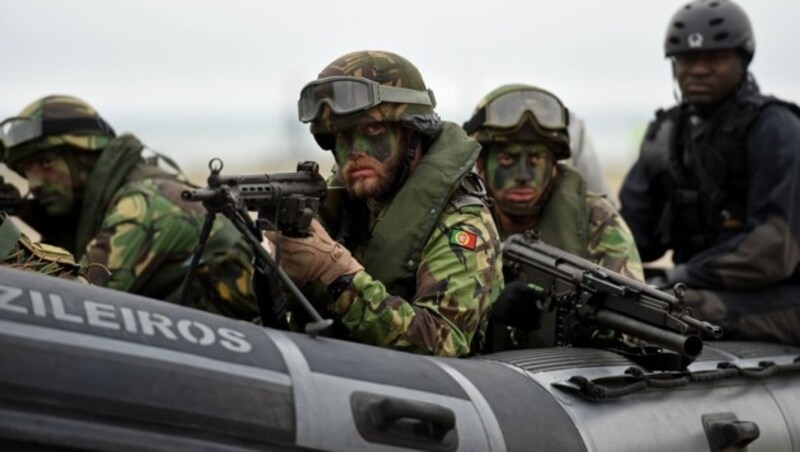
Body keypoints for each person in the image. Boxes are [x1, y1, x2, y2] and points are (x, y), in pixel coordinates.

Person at [270, 50, 504, 357]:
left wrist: (336, 274)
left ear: (412, 133)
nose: (354, 151)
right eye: (341, 136)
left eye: (373, 131)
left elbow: (442, 342)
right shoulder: (347, 206)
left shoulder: (462, 223)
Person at [619, 0, 800, 345]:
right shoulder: (667, 134)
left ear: (742, 62)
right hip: (693, 288)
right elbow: (630, 234)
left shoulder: (777, 128)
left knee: (672, 310)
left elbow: (775, 249)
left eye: (713, 59)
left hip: (783, 295)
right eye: (687, 60)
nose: (698, 70)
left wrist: (679, 276)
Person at [0, 95, 258, 320]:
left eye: (46, 163)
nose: (34, 183)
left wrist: (5, 237)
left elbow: (73, 301)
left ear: (84, 156)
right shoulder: (110, 203)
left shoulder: (145, 203)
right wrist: (21, 211)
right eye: (25, 171)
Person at [463, 83, 644, 349]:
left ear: (555, 168)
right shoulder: (459, 218)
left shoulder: (596, 220)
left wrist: (597, 330)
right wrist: (486, 310)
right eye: (507, 160)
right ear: (481, 164)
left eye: (535, 159)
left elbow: (639, 324)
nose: (523, 175)